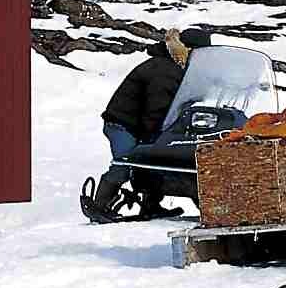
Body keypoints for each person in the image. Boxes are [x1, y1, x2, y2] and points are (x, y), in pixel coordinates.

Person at [87, 27, 212, 220]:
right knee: (126, 162)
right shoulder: (165, 70)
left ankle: (151, 205)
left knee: (155, 159)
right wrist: (154, 141)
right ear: (190, 50)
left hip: (141, 123)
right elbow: (157, 110)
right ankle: (99, 207)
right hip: (123, 124)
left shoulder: (180, 67)